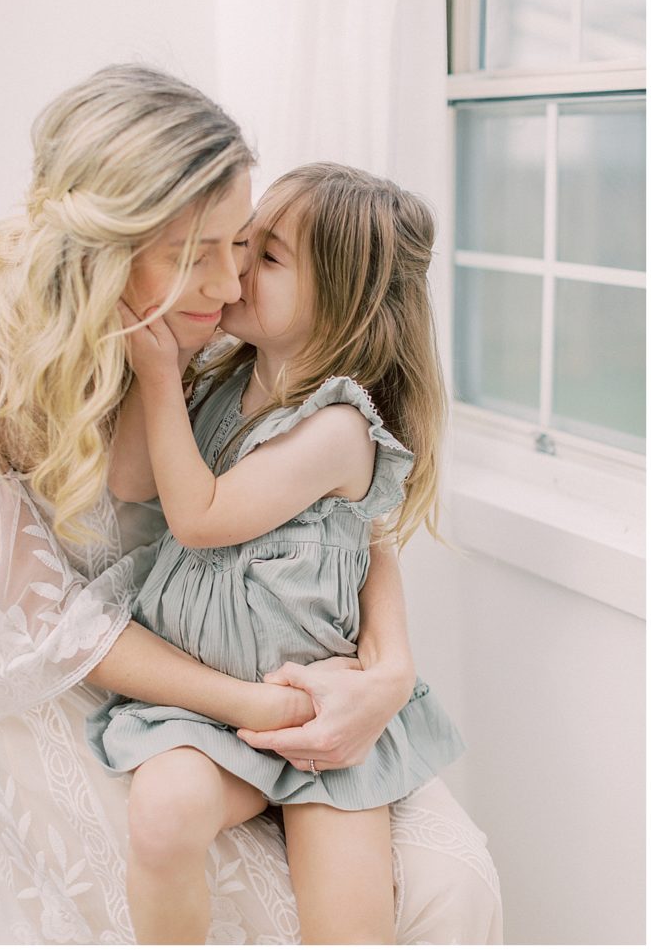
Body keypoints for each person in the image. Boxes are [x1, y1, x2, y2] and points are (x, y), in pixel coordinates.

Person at [0, 64, 503, 945]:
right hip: (107, 691)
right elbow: (58, 622)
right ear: (111, 246)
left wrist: (388, 673)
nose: (228, 282)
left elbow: (343, 534)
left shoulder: (225, 351)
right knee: (207, 865)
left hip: (290, 688)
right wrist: (247, 705)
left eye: (245, 244)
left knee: (448, 887)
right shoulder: (2, 371)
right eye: (200, 253)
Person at [88, 161, 468, 944]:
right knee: (163, 817)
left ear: (342, 299)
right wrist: (156, 355)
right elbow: (132, 481)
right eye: (241, 242)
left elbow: (198, 518)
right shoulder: (220, 385)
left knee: (349, 930)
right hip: (202, 704)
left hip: (312, 710)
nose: (232, 270)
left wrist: (161, 378)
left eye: (267, 256)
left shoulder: (338, 428)